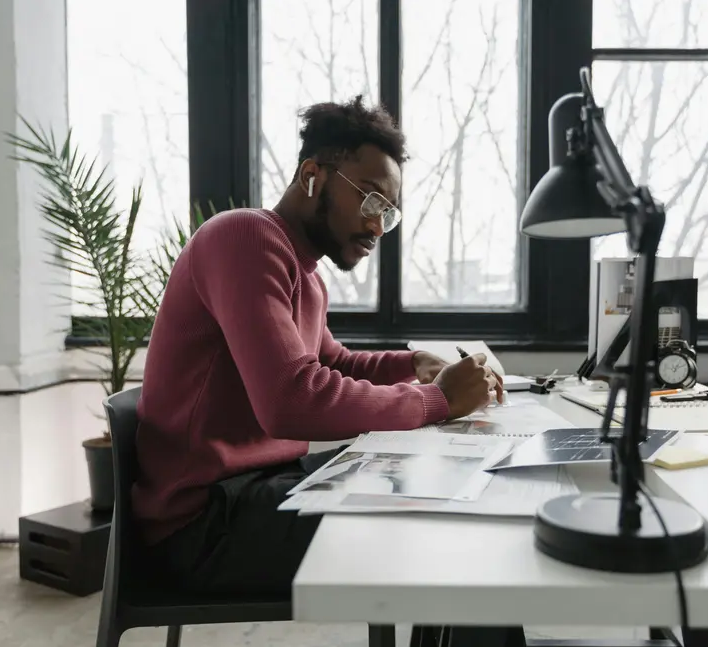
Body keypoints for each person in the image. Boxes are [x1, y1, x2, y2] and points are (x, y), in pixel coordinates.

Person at [133, 95, 503, 594]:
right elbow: (292, 399)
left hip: (262, 487)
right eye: (371, 200)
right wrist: (438, 400)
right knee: (454, 526)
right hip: (202, 522)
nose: (377, 226)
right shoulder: (243, 237)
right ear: (313, 173)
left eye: (388, 214)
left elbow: (332, 361)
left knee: (449, 487)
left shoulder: (304, 273)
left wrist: (415, 364)